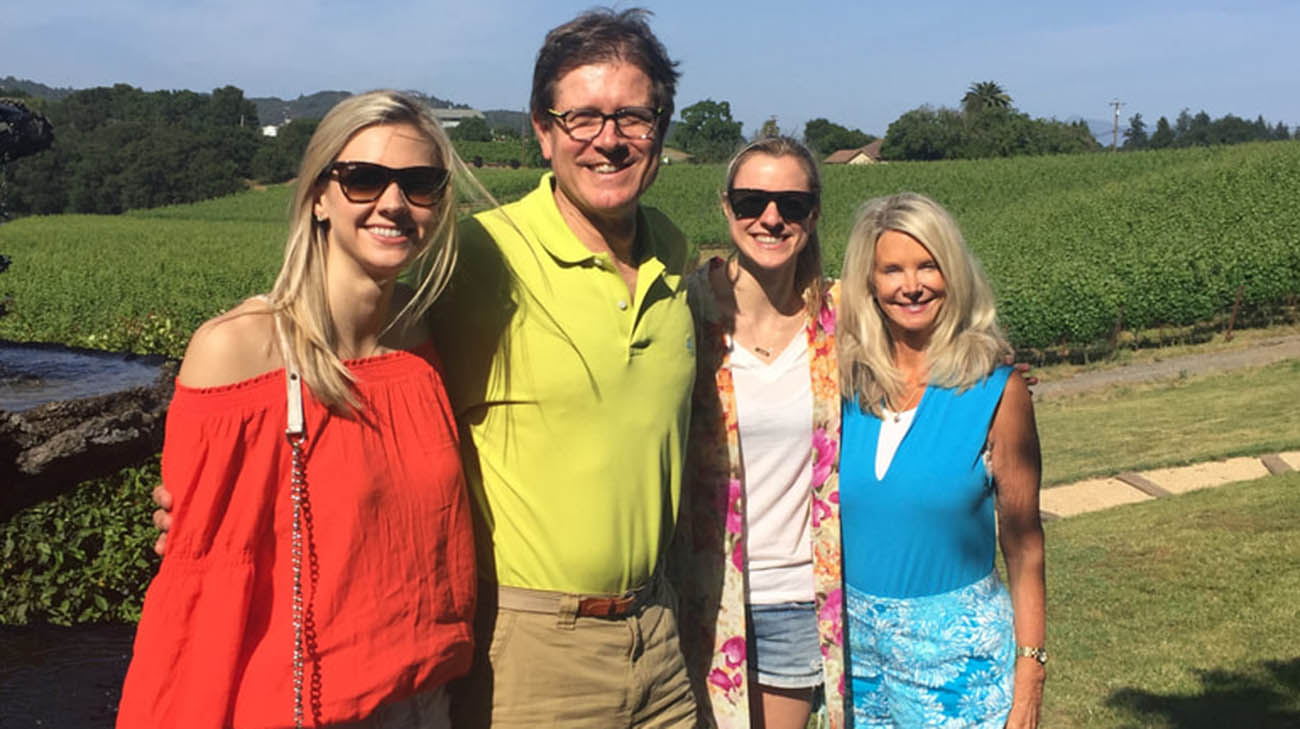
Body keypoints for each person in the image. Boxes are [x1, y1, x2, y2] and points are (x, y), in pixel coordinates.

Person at [122, 91, 477, 729]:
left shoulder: (418, 346)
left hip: (426, 697)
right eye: (364, 179)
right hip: (304, 707)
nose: (393, 203)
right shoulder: (239, 351)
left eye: (420, 182)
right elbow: (200, 584)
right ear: (318, 197)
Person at [428, 8, 698, 729]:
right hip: (532, 651)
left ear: (660, 133)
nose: (607, 141)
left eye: (632, 118)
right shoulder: (479, 255)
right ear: (543, 131)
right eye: (581, 118)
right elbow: (352, 348)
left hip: (659, 638)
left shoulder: (675, 250)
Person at [835, 192, 1046, 728]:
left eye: (928, 265)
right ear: (869, 283)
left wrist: (1030, 677)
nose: (911, 285)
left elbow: (1023, 546)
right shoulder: (845, 387)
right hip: (854, 662)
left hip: (958, 667)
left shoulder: (996, 391)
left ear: (952, 272)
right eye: (892, 269)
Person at [671, 136, 847, 729]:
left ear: (814, 213)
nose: (770, 218)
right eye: (752, 201)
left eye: (791, 205)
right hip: (696, 593)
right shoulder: (682, 312)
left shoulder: (844, 319)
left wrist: (992, 376)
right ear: (726, 207)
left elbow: (935, 335)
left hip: (798, 598)